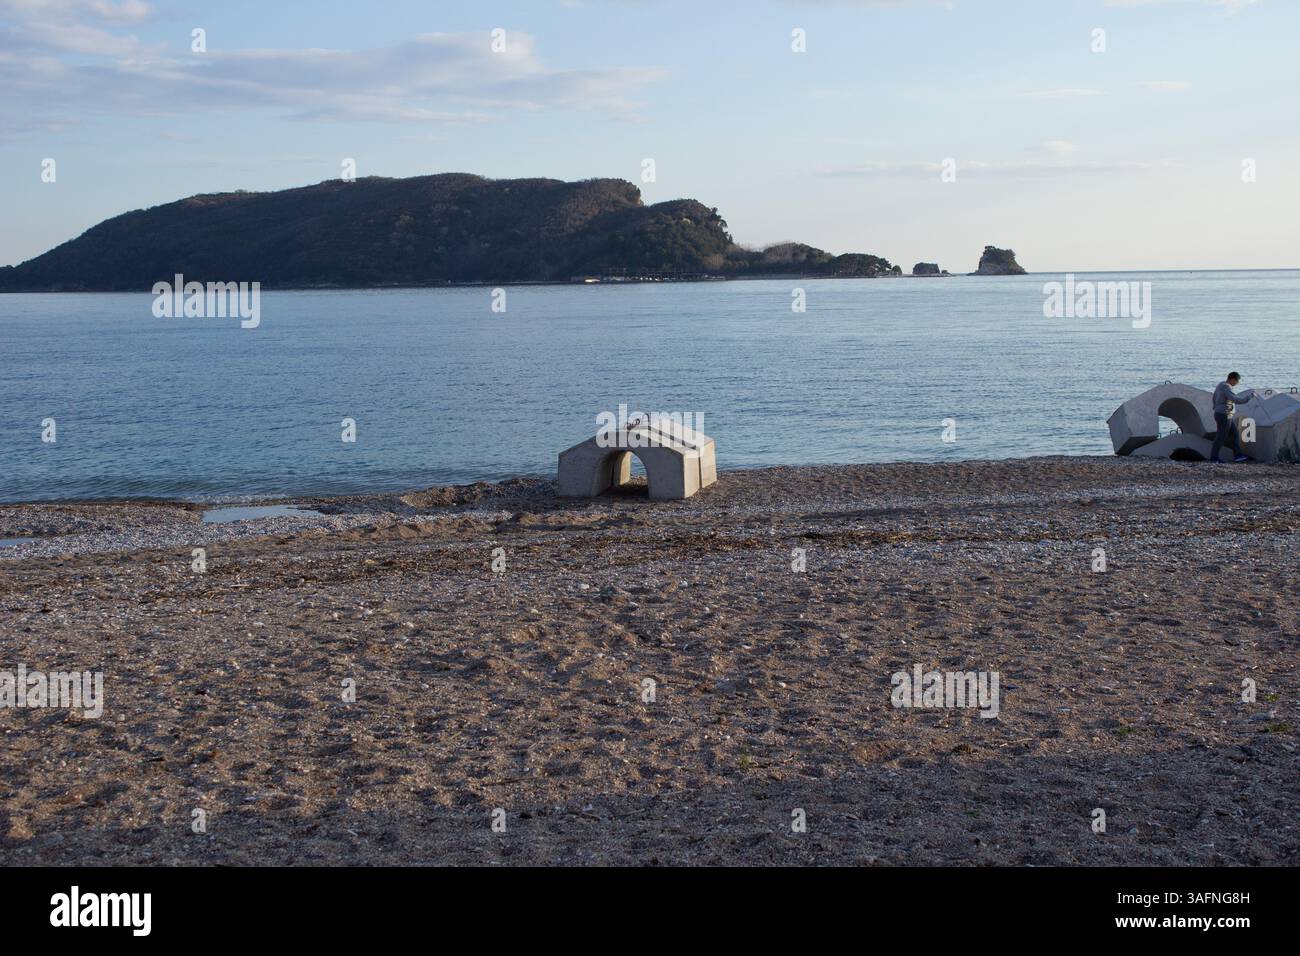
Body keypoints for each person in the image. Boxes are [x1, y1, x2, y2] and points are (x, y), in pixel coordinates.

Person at [1209, 372, 1253, 463]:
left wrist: (1216, 407)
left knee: (1235, 434)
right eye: (1237, 381)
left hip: (1222, 414)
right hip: (1224, 415)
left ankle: (1238, 455)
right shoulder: (1226, 387)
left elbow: (1214, 398)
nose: (1237, 384)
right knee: (1221, 437)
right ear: (1233, 379)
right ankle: (1214, 458)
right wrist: (1249, 397)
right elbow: (1235, 399)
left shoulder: (1220, 385)